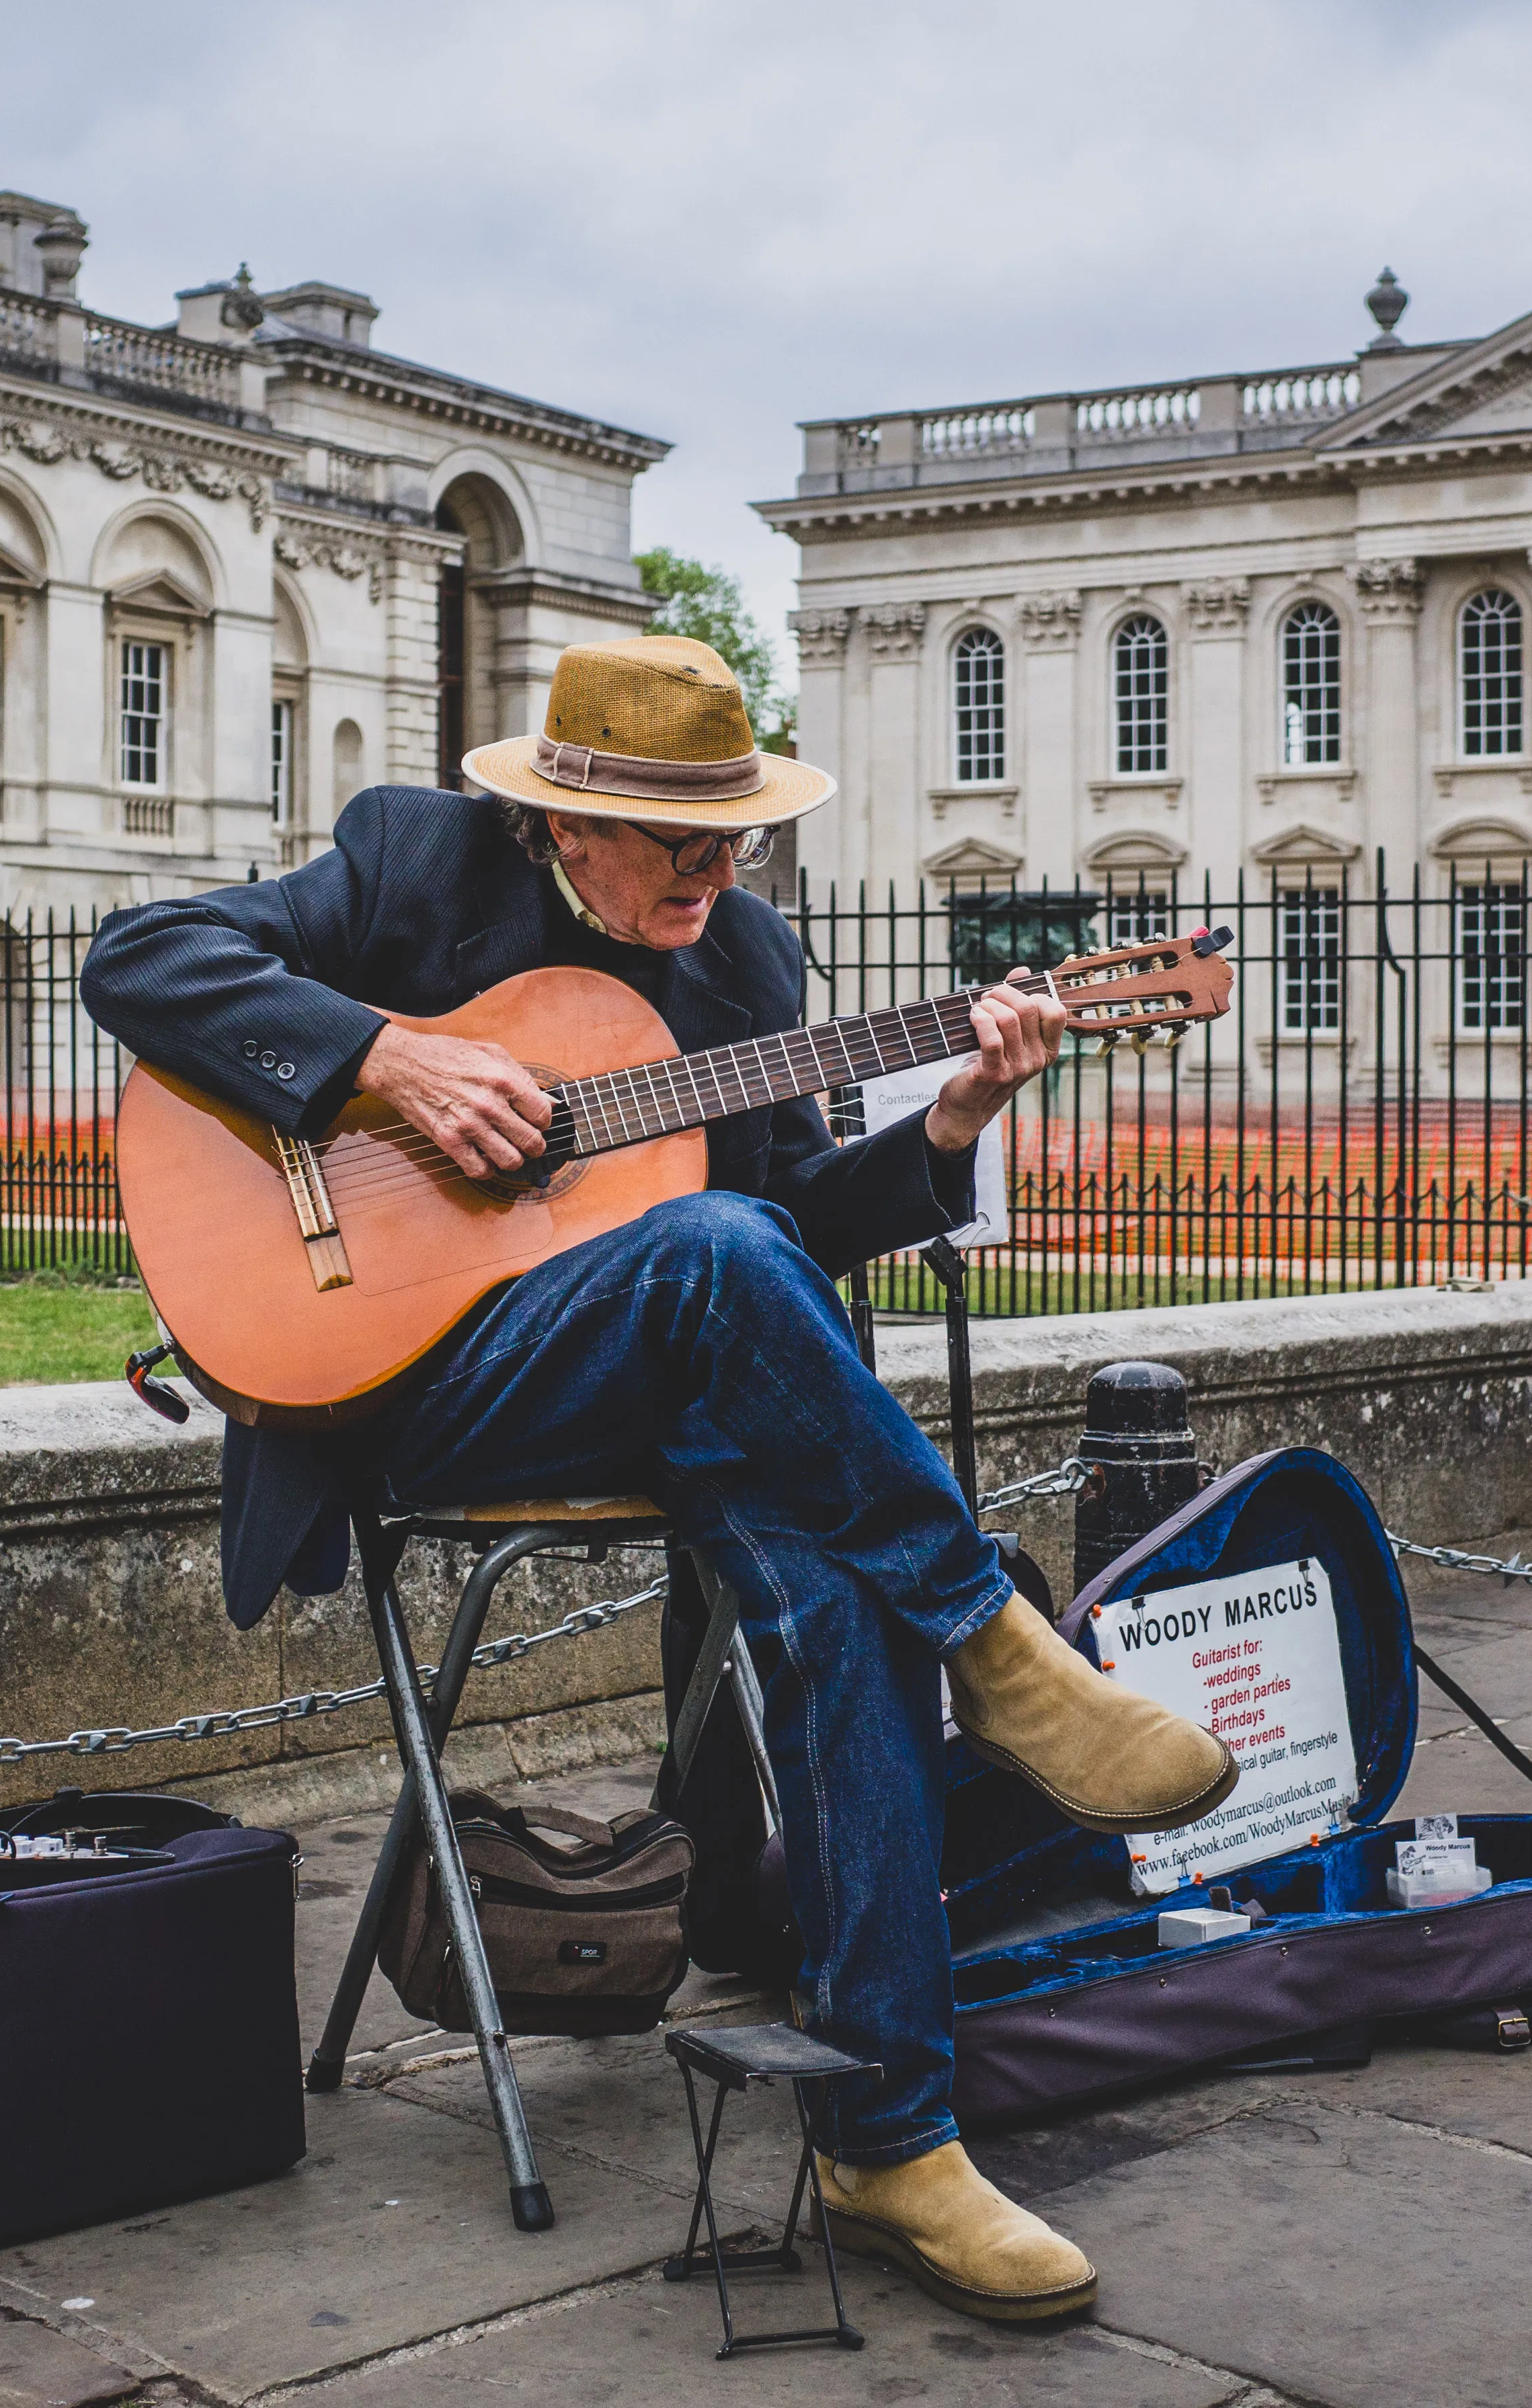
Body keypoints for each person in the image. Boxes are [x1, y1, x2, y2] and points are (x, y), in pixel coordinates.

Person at [79, 633, 1234, 2324]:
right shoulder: (414, 859)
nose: (719, 869)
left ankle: (891, 2133)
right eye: (682, 839)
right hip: (412, 1388)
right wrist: (378, 1060)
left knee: (826, 1560)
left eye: (738, 833)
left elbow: (791, 1238)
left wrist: (951, 1125)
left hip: (661, 1383)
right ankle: (992, 1633)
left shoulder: (748, 959)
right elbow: (139, 957)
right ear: (567, 819)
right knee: (711, 1255)